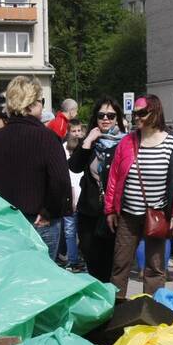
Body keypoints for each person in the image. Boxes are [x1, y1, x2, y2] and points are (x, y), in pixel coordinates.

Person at [0, 75, 72, 261]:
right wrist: (48, 211)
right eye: (41, 101)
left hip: (7, 223)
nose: (42, 106)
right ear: (31, 105)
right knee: (41, 278)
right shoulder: (47, 138)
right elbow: (60, 181)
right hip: (41, 221)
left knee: (13, 279)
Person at [105, 94, 173, 297]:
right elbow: (114, 178)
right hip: (127, 215)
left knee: (155, 269)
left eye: (142, 113)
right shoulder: (127, 141)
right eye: (135, 113)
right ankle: (115, 311)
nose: (137, 117)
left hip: (158, 215)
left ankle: (151, 313)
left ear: (155, 112)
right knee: (120, 266)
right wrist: (110, 209)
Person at [68, 97, 126, 282]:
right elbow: (75, 166)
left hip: (113, 213)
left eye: (111, 115)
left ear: (117, 118)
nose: (106, 119)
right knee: (92, 261)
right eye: (102, 115)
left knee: (110, 263)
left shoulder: (125, 143)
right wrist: (88, 142)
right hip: (89, 211)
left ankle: (111, 303)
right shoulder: (90, 142)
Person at [63, 118, 86, 271]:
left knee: (83, 229)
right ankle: (73, 259)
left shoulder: (85, 146)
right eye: (74, 131)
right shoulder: (64, 148)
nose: (77, 134)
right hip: (70, 194)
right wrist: (71, 196)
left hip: (83, 193)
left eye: (79, 130)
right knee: (70, 230)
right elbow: (68, 175)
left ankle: (82, 256)